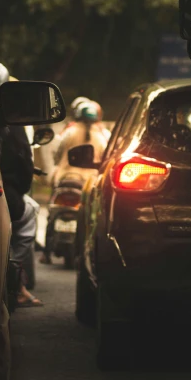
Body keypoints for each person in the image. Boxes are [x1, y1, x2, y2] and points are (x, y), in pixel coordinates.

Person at [0, 61, 43, 308]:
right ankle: (14, 273)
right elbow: (25, 167)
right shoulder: (10, 120)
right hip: (2, 194)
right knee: (31, 211)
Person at [40, 98, 110, 265]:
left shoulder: (69, 132)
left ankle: (46, 253)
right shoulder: (102, 137)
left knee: (52, 210)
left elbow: (56, 152)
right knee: (91, 217)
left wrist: (59, 165)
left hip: (65, 178)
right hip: (88, 183)